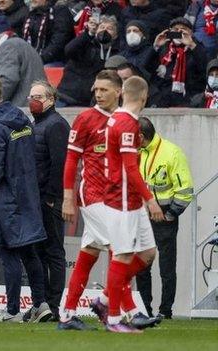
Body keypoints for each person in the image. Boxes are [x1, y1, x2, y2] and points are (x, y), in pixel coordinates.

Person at [58, 70, 132, 330]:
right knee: (121, 249)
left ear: (118, 92)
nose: (98, 94)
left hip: (116, 198)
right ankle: (116, 314)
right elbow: (71, 161)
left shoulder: (126, 119)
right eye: (96, 90)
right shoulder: (86, 118)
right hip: (92, 195)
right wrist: (68, 198)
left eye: (104, 90)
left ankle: (68, 314)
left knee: (89, 254)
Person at [0, 75, 47, 322]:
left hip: (6, 197)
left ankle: (14, 310)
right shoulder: (21, 119)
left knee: (8, 253)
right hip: (27, 193)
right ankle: (41, 304)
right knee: (29, 252)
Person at [100, 76, 164, 333]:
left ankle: (105, 297)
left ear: (123, 93)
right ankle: (114, 318)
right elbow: (130, 168)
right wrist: (151, 200)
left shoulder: (117, 119)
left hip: (130, 199)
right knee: (124, 255)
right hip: (123, 199)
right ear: (145, 97)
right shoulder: (126, 123)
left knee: (148, 253)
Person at [136, 117, 193, 319]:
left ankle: (165, 311)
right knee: (141, 267)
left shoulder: (172, 152)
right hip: (142, 217)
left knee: (166, 267)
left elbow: (185, 191)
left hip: (166, 217)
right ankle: (144, 309)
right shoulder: (136, 152)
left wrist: (171, 214)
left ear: (141, 136)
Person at [26, 80, 70, 321]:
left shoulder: (56, 125)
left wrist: (53, 197)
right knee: (39, 251)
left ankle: (52, 305)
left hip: (49, 200)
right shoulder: (38, 124)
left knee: (53, 252)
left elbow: (60, 164)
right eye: (31, 96)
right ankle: (41, 303)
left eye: (39, 97)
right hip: (36, 199)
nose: (33, 100)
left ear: (51, 99)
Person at [57, 15, 120, 107]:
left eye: (109, 28)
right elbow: (69, 50)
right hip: (66, 97)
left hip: (91, 102)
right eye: (101, 27)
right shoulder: (85, 43)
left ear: (116, 35)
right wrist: (88, 33)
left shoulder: (118, 52)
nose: (104, 31)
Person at [0, 14, 46, 107]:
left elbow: (9, 79)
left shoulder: (7, 46)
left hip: (23, 106)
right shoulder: (21, 44)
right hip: (35, 104)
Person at [151, 17, 207, 107]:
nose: (179, 32)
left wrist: (192, 45)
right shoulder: (164, 47)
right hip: (164, 98)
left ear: (191, 33)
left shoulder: (197, 48)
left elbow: (204, 68)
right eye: (175, 30)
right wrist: (155, 47)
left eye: (183, 30)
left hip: (189, 97)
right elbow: (148, 69)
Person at [22, 0, 74, 66]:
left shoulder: (60, 11)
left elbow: (59, 41)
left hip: (57, 61)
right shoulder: (31, 14)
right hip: (36, 59)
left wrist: (40, 59)